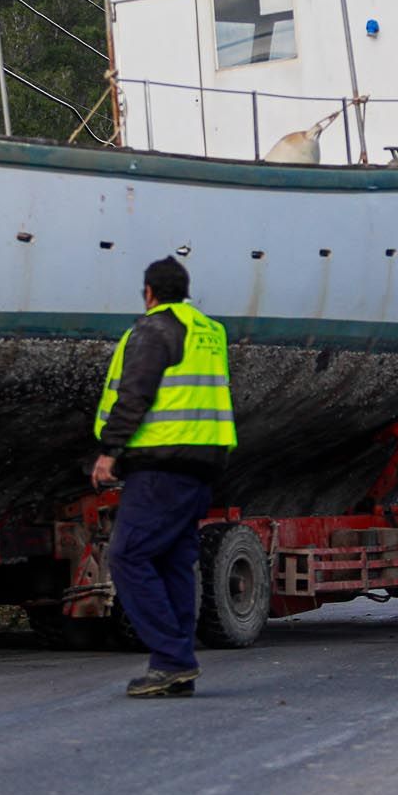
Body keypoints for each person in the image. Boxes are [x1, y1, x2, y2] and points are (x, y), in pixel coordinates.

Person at [91, 256, 236, 698]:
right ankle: (178, 664)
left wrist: (109, 452)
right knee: (173, 560)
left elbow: (135, 393)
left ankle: (172, 660)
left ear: (149, 292)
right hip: (202, 463)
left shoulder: (153, 330)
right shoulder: (210, 330)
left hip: (160, 463)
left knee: (129, 557)